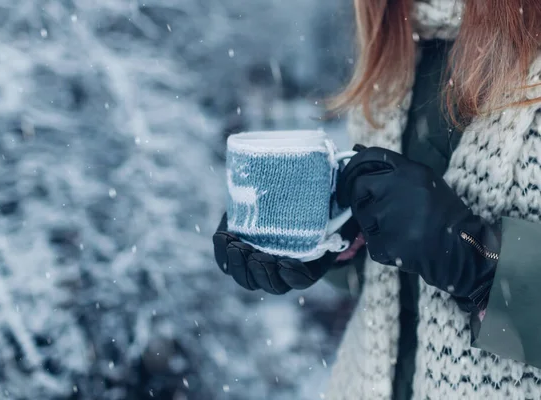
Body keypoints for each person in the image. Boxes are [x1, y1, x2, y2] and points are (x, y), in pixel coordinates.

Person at [212, 0, 541, 398]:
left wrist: (481, 264)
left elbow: (450, 253)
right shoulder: (400, 42)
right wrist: (331, 240)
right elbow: (398, 288)